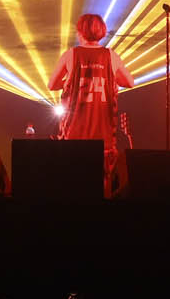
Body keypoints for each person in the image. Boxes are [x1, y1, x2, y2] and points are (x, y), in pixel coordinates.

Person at [49, 14, 133, 194]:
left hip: (74, 134)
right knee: (103, 188)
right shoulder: (111, 56)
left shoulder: (71, 55)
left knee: (73, 186)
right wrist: (110, 77)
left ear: (80, 32)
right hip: (104, 136)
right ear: (101, 32)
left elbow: (51, 85)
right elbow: (129, 82)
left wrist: (68, 82)